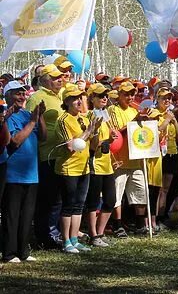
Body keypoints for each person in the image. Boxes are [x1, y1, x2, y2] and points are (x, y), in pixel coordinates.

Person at [2, 81, 46, 263]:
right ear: (7, 95)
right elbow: (15, 141)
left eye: (23, 93)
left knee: (27, 214)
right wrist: (33, 121)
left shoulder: (28, 115)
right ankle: (9, 252)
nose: (22, 97)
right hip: (13, 174)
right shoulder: (8, 117)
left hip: (31, 174)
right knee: (12, 214)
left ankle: (23, 250)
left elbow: (43, 137)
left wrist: (39, 117)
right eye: (17, 93)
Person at [55, 85, 101, 253]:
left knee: (79, 205)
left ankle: (74, 238)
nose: (78, 101)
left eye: (80, 98)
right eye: (74, 98)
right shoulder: (63, 119)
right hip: (68, 168)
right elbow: (70, 146)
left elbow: (92, 147)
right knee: (68, 205)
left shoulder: (84, 119)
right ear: (67, 101)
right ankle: (66, 240)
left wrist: (94, 132)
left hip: (84, 167)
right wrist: (88, 132)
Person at [26, 64, 64, 248]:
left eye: (61, 77)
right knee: (47, 198)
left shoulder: (60, 96)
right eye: (56, 77)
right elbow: (30, 123)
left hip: (61, 153)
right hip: (45, 154)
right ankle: (43, 235)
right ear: (44, 79)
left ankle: (53, 232)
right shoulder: (36, 97)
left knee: (57, 197)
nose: (60, 80)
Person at [108, 81, 145, 238]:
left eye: (132, 94)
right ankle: (117, 225)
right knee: (117, 195)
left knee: (141, 192)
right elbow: (116, 133)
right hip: (120, 160)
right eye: (126, 94)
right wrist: (135, 120)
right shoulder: (113, 110)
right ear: (119, 95)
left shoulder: (135, 110)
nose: (130, 97)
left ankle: (140, 224)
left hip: (136, 159)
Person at [84, 84, 117, 247]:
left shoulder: (105, 115)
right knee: (93, 200)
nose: (104, 98)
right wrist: (105, 141)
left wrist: (110, 143)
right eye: (100, 96)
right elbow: (91, 145)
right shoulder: (90, 116)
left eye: (106, 95)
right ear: (92, 98)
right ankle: (93, 235)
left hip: (107, 164)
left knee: (110, 200)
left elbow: (109, 142)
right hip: (94, 164)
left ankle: (100, 232)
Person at [155, 87, 178, 227]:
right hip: (159, 154)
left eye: (169, 98)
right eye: (164, 98)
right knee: (158, 188)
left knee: (166, 188)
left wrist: (174, 120)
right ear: (157, 99)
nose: (167, 101)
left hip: (172, 152)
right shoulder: (155, 113)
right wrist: (167, 119)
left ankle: (162, 214)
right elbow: (157, 130)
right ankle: (156, 217)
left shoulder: (170, 115)